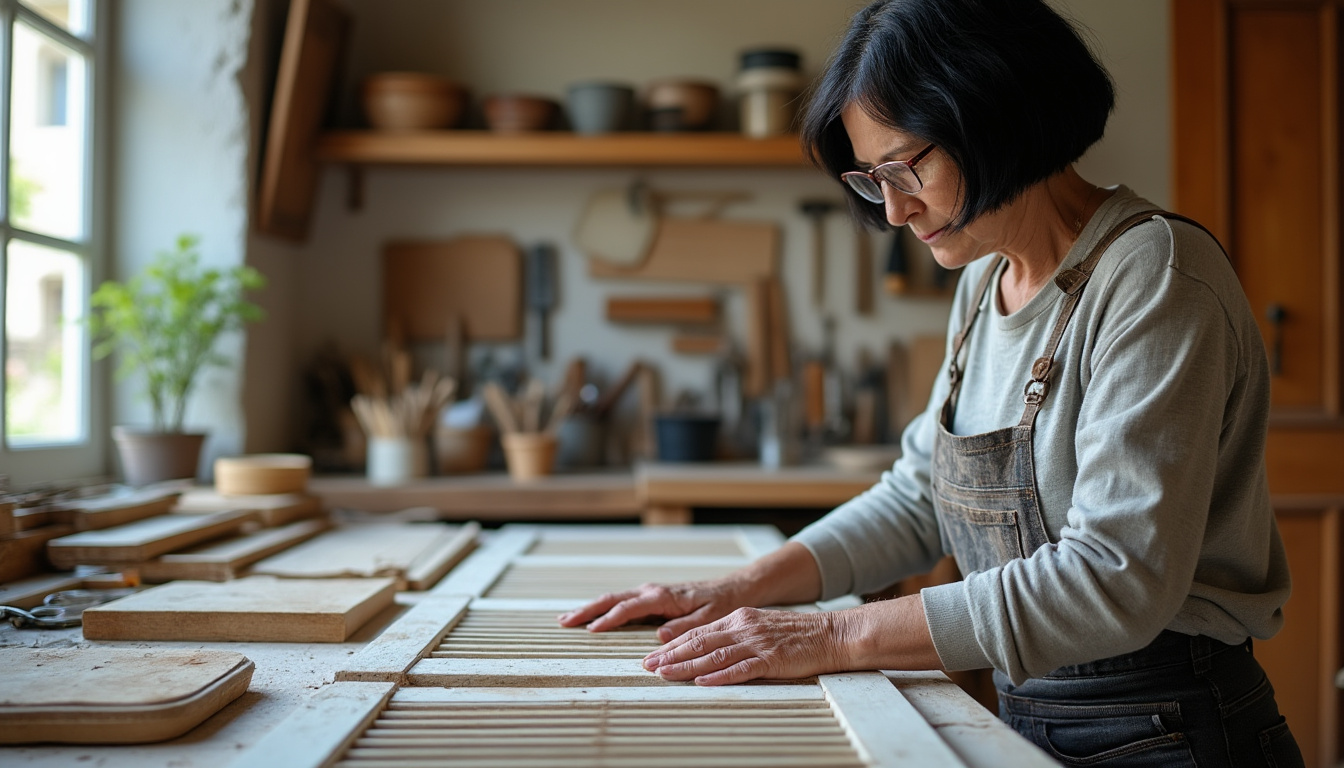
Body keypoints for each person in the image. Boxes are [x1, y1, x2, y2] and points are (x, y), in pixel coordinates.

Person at [559, 0, 1304, 765]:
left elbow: (1114, 578)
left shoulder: (1154, 277)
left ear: (997, 113)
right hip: (1029, 709)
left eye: (906, 166)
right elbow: (921, 499)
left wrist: (832, 632)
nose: (892, 208)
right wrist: (739, 589)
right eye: (870, 177)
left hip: (1166, 726)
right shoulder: (983, 280)